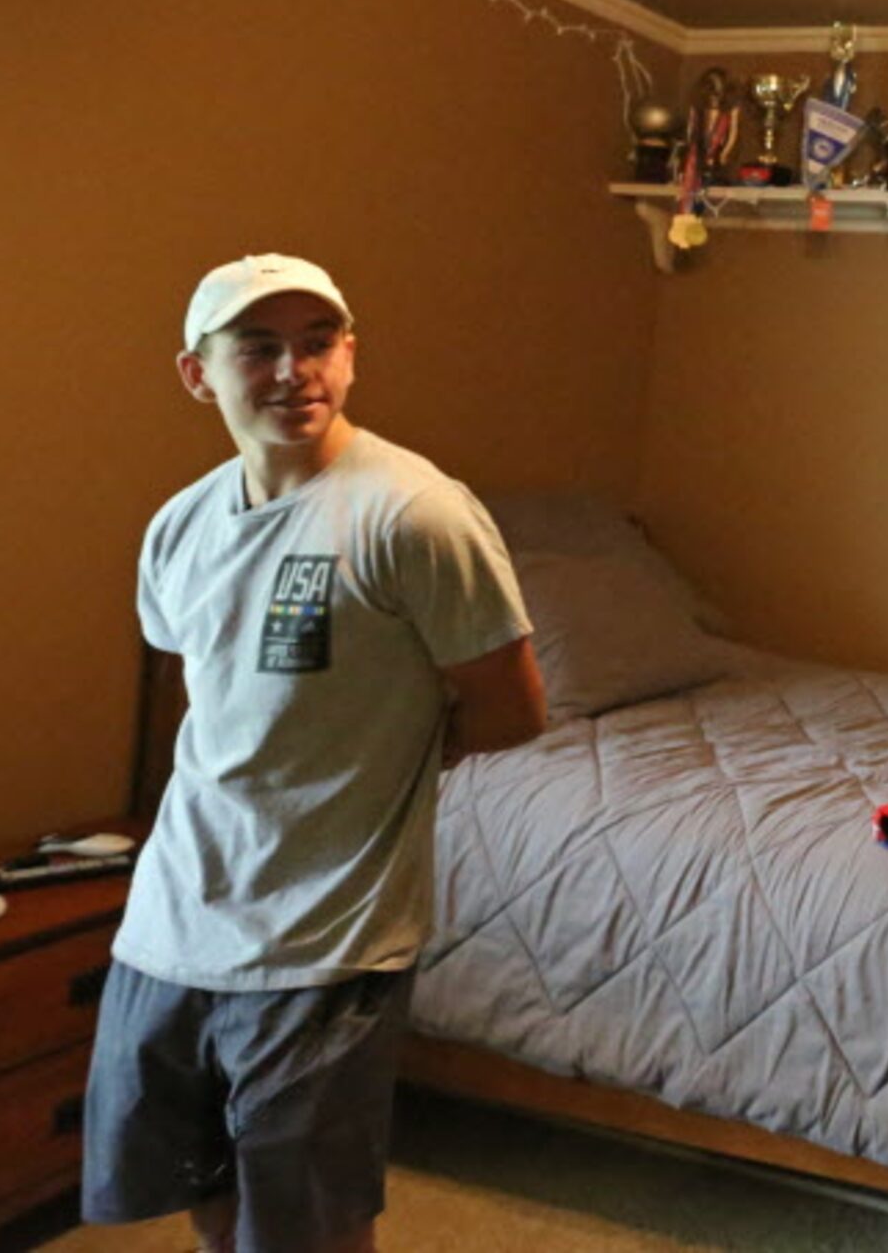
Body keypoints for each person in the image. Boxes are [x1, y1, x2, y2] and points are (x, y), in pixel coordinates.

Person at [82, 254, 547, 1253]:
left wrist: (377, 755)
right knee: (202, 1182)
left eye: (317, 342)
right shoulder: (180, 526)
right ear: (198, 374)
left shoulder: (412, 514)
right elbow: (201, 698)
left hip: (327, 935)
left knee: (307, 1219)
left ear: (349, 355)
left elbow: (510, 711)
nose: (295, 371)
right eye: (258, 348)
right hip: (176, 916)